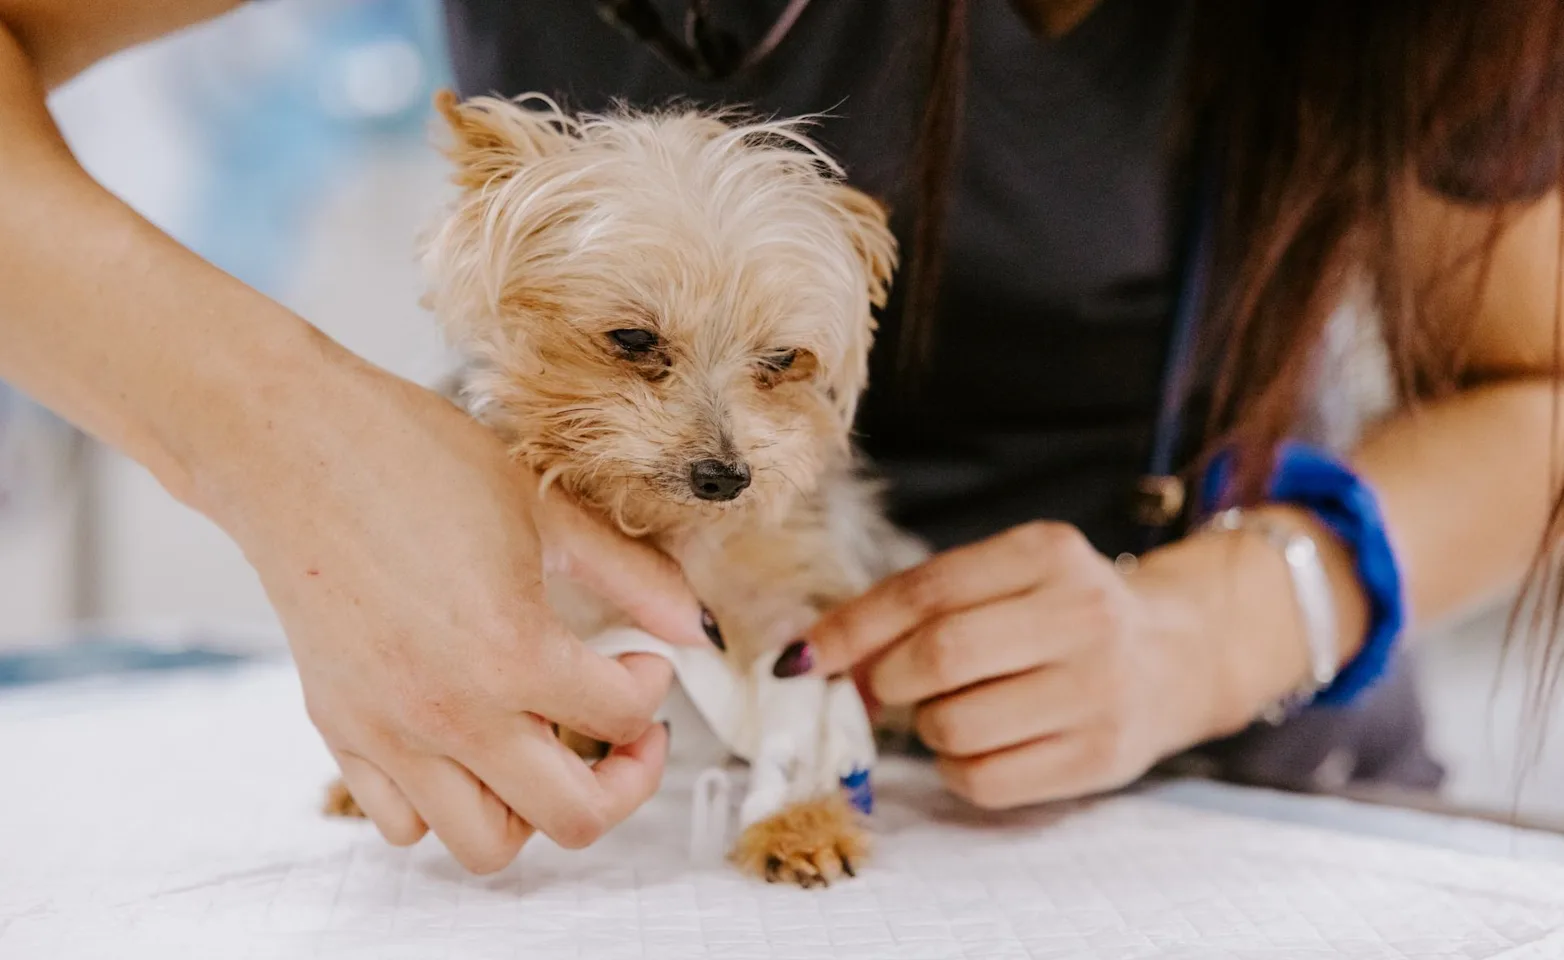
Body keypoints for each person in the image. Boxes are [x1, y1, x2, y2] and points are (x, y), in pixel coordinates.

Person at [3, 0, 1563, 872]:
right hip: (569, 755)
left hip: (1225, 779)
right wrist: (288, 439)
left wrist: (1243, 615)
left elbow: (1537, 387)